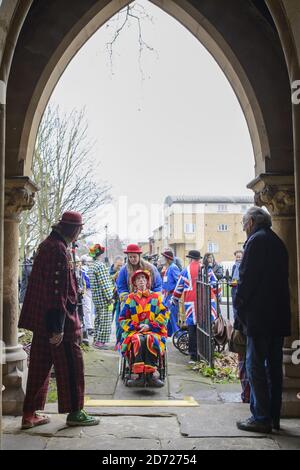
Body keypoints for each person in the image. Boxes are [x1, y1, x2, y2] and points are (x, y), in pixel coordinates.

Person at [18, 211, 99, 428]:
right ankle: (75, 412)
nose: (80, 232)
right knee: (73, 364)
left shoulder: (49, 245)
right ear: (72, 229)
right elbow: (57, 291)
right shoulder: (58, 249)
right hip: (58, 320)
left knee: (40, 365)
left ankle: (29, 414)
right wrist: (57, 327)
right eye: (79, 228)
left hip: (44, 318)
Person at [235, 206, 291, 433]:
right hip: (277, 317)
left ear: (251, 222)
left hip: (259, 318)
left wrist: (238, 304)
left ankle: (260, 417)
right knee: (274, 368)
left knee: (255, 366)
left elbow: (247, 278)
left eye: (243, 223)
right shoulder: (277, 241)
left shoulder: (256, 241)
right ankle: (273, 416)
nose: (243, 227)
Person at [119, 270, 168, 387]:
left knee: (150, 338)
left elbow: (164, 314)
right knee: (138, 339)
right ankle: (140, 376)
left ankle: (150, 375)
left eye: (143, 278)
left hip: (153, 330)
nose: (141, 280)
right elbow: (122, 318)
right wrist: (135, 326)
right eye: (138, 279)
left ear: (147, 281)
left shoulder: (155, 297)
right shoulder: (130, 298)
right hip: (135, 331)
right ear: (135, 283)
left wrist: (150, 326)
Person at [171, 250, 202, 363]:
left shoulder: (186, 270)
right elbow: (215, 285)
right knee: (204, 327)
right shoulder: (205, 268)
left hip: (190, 302)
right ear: (199, 258)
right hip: (205, 302)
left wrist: (174, 299)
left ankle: (193, 355)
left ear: (190, 258)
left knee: (192, 327)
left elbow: (179, 287)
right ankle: (205, 352)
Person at [230, 249, 250, 404]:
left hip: (246, 325)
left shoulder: (243, 272)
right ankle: (248, 394)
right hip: (250, 323)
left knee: (246, 362)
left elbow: (239, 301)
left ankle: (247, 394)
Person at [88, 244, 114, 349]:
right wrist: (110, 297)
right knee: (105, 320)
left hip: (96, 297)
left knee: (98, 319)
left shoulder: (92, 266)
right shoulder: (100, 266)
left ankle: (96, 340)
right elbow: (105, 283)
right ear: (101, 254)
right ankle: (101, 342)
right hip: (104, 298)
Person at [161, 250, 180, 337]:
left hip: (172, 296)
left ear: (167, 259)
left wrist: (175, 294)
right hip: (167, 296)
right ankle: (168, 333)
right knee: (167, 315)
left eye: (163, 257)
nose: (161, 259)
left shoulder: (173, 267)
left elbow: (179, 282)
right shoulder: (167, 268)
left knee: (172, 315)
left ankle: (178, 334)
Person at [80, 255, 94, 336]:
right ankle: (89, 327)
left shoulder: (89, 269)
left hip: (91, 290)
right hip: (86, 290)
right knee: (87, 309)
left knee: (90, 309)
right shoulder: (83, 269)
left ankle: (89, 326)